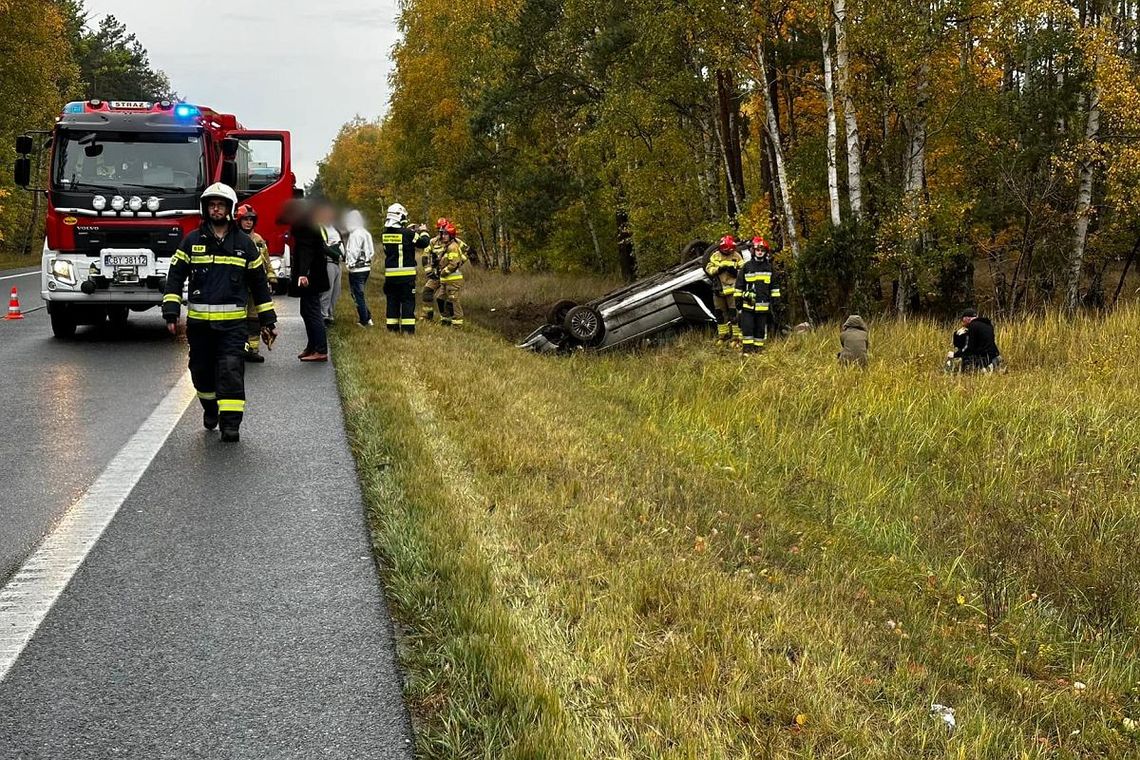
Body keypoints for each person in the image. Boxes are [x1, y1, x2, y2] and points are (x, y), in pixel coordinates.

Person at [163, 183, 277, 442]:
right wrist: (170, 310)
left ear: (229, 209)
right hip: (200, 327)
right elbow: (175, 275)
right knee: (200, 372)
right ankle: (210, 409)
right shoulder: (192, 241)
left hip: (233, 328)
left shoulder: (245, 245)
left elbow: (259, 284)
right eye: (212, 205)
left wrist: (268, 320)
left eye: (221, 205)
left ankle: (231, 425)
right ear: (206, 208)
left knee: (230, 370)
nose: (216, 209)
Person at [282, 199, 331, 362]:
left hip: (311, 277)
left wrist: (303, 274)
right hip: (313, 275)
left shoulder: (305, 227)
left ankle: (320, 349)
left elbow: (306, 251)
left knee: (313, 312)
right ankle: (313, 346)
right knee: (306, 311)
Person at [235, 203, 277, 363]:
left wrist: (271, 277)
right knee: (237, 318)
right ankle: (238, 348)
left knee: (254, 319)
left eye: (251, 220)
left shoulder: (258, 239)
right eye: (245, 219)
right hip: (238, 286)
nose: (248, 222)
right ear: (239, 220)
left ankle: (252, 349)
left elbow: (265, 260)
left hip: (256, 286)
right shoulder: (233, 238)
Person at [381, 203, 429, 333]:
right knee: (407, 302)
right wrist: (424, 231)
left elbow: (399, 238)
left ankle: (392, 328)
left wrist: (409, 230)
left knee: (392, 302)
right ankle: (408, 330)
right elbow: (424, 243)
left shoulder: (385, 234)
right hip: (406, 277)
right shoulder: (408, 234)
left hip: (390, 277)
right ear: (400, 217)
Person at [735, 237, 779, 353]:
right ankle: (747, 350)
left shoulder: (770, 268)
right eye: (758, 250)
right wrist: (738, 301)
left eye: (762, 250)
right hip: (748, 304)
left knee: (760, 329)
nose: (760, 252)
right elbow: (739, 285)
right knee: (747, 328)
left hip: (763, 305)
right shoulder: (746, 267)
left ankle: (758, 349)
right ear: (753, 251)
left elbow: (774, 286)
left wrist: (776, 300)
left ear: (766, 252)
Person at [705, 235, 744, 344]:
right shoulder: (715, 256)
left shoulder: (737, 256)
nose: (728, 252)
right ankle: (723, 336)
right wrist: (718, 269)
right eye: (726, 249)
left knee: (734, 314)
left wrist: (736, 273)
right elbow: (708, 268)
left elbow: (743, 270)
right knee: (720, 314)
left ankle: (735, 338)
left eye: (730, 249)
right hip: (719, 289)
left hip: (733, 290)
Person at [343, 209, 375, 326]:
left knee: (357, 295)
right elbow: (371, 251)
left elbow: (353, 251)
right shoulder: (366, 233)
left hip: (356, 270)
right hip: (366, 268)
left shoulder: (355, 234)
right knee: (359, 294)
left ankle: (364, 320)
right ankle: (367, 316)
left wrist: (349, 264)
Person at [315, 201, 344, 325]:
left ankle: (330, 315)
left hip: (337, 263)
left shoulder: (334, 227)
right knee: (327, 291)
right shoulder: (319, 227)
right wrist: (335, 253)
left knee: (335, 292)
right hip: (328, 261)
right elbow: (322, 246)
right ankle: (323, 316)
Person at [438, 222, 469, 327]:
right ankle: (446, 320)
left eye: (446, 234)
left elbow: (454, 263)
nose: (443, 236)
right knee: (440, 298)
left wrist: (443, 272)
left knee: (454, 301)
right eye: (442, 234)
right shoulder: (446, 246)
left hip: (453, 280)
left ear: (451, 235)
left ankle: (457, 324)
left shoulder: (453, 247)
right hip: (445, 280)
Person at [420, 218, 450, 321]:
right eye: (440, 230)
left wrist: (456, 265)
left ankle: (447, 319)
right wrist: (429, 271)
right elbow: (425, 257)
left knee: (444, 298)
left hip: (449, 274)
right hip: (436, 274)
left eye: (444, 230)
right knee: (427, 292)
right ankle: (427, 316)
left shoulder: (454, 241)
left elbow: (467, 252)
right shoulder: (433, 241)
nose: (442, 233)